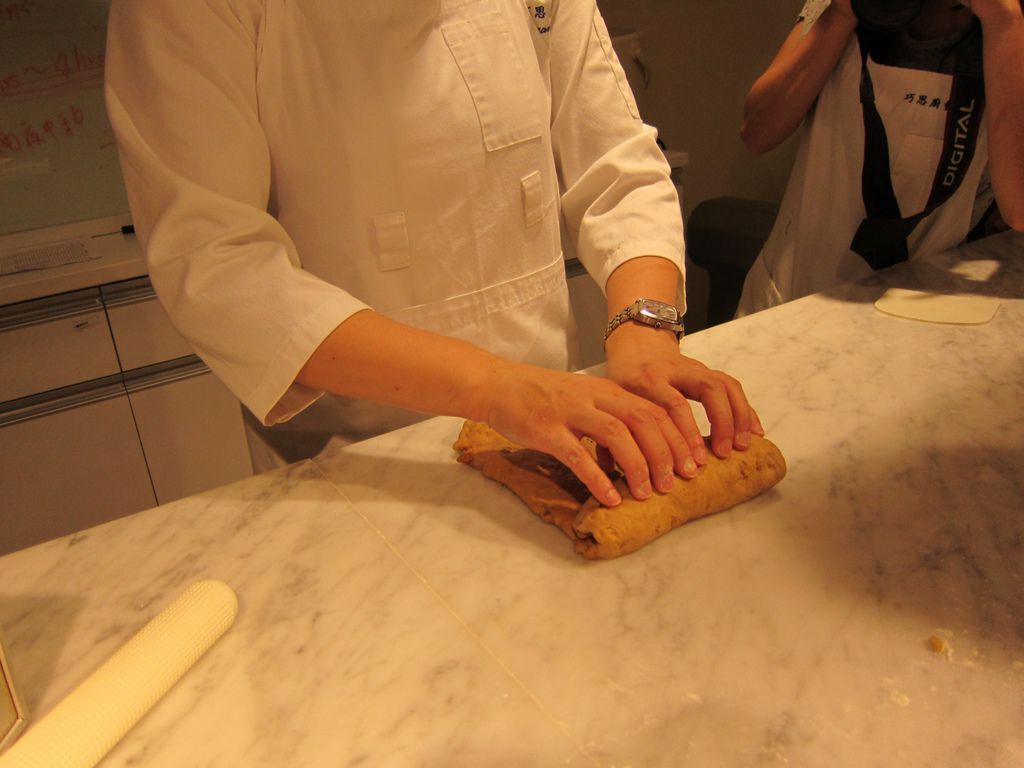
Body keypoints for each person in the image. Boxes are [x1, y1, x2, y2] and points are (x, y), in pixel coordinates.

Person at [104, 0, 763, 509]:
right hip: (359, 471)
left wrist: (644, 331)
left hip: (558, 445)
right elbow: (218, 262)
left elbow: (617, 161)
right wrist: (493, 388)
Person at [736, 0, 1024, 317]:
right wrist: (842, 14)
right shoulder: (835, 7)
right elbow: (757, 133)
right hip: (793, 295)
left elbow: (1019, 211)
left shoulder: (1011, 21)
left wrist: (1003, 21)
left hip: (929, 307)